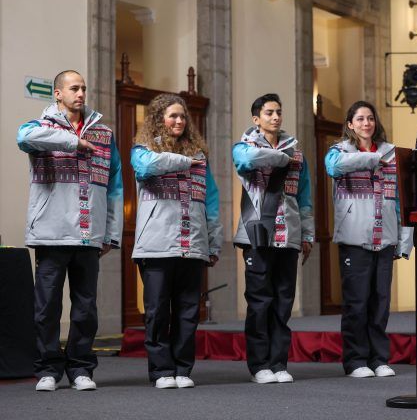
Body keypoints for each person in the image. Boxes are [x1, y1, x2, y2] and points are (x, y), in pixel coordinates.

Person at [17, 70, 123, 392]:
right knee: (47, 307)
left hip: (89, 234)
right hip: (51, 232)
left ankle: (80, 368)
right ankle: (48, 369)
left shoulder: (103, 133)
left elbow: (115, 186)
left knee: (86, 308)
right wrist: (72, 141)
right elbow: (23, 138)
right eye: (74, 88)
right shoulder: (39, 127)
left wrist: (111, 233)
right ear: (58, 94)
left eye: (83, 88)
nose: (80, 93)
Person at [130, 94, 223, 389]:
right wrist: (184, 161)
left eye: (183, 116)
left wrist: (213, 241)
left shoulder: (200, 155)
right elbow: (145, 168)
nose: (179, 121)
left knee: (187, 312)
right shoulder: (143, 149)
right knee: (157, 312)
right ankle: (161, 371)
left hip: (192, 244)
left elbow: (211, 201)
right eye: (173, 115)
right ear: (159, 118)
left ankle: (182, 369)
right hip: (156, 245)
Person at [325, 101, 413, 378]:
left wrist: (404, 240)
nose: (366, 123)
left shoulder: (391, 153)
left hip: (385, 238)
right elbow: (333, 168)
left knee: (380, 303)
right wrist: (373, 159)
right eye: (360, 119)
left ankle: (378, 359)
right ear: (350, 124)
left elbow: (401, 199)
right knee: (357, 303)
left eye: (370, 118)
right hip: (355, 239)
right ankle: (356, 360)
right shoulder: (339, 151)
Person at [233, 93, 314, 384]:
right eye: (269, 113)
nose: (276, 117)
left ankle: (279, 363)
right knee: (259, 301)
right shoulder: (244, 147)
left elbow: (304, 195)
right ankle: (259, 366)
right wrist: (281, 156)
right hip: (257, 232)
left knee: (283, 301)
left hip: (288, 232)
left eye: (278, 112)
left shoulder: (297, 152)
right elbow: (247, 161)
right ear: (256, 119)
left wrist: (308, 232)